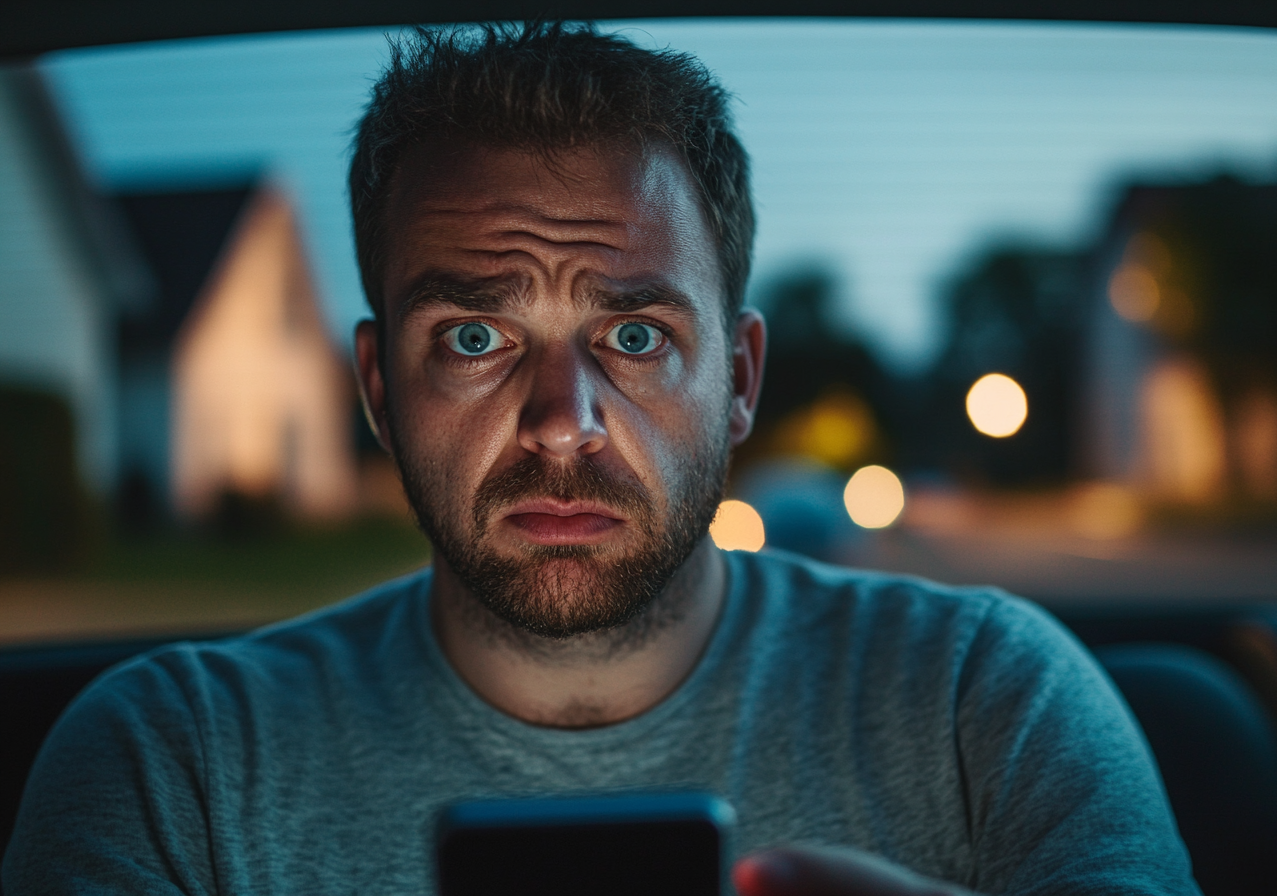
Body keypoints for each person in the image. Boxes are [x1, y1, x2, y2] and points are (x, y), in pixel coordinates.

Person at [3, 23, 1199, 896]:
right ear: (376, 388)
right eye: (474, 336)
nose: (561, 420)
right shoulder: (173, 763)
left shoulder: (989, 701)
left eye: (634, 335)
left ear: (737, 380)